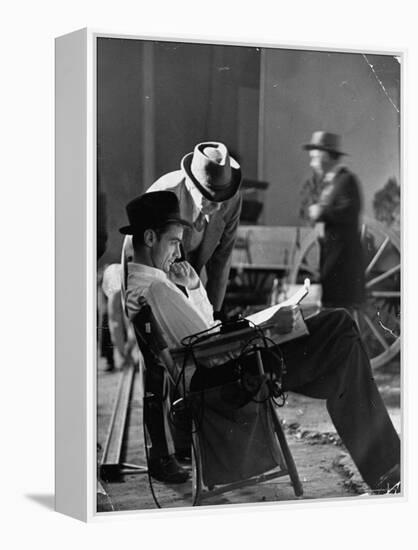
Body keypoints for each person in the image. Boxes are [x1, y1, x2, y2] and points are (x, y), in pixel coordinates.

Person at [122, 191, 400, 493]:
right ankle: (389, 469)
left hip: (225, 367)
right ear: (150, 238)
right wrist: (262, 329)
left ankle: (388, 471)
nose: (178, 252)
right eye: (174, 242)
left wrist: (193, 287)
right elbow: (207, 347)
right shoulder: (158, 290)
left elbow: (203, 336)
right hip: (231, 375)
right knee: (340, 326)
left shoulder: (147, 285)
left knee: (344, 360)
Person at [124, 141, 242, 315]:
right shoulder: (164, 196)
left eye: (221, 200)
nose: (217, 207)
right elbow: (137, 257)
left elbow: (222, 262)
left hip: (193, 281)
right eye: (209, 198)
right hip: (156, 282)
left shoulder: (232, 199)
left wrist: (214, 315)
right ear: (191, 184)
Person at [300, 131, 365, 309]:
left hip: (343, 267)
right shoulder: (332, 183)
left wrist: (322, 211)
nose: (312, 163)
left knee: (339, 314)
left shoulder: (346, 180)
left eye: (314, 158)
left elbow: (348, 211)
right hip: (333, 265)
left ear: (327, 156)